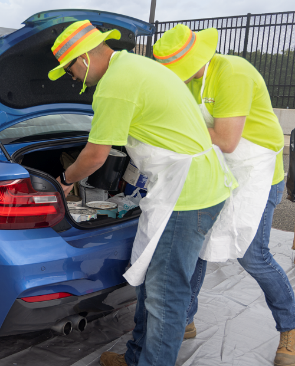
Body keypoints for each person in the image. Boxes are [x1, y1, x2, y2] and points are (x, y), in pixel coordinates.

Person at [47, 20, 234, 366]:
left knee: (165, 294)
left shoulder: (114, 85)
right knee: (151, 281)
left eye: (70, 68)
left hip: (188, 193)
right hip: (185, 185)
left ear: (84, 57)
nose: (72, 78)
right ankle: (136, 358)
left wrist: (65, 180)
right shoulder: (135, 64)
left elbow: (95, 156)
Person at [154, 24, 294, 365]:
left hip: (256, 173)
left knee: (253, 255)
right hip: (220, 171)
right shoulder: (190, 83)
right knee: (198, 246)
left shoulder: (232, 72)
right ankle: (184, 320)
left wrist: (175, 128)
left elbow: (228, 139)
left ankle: (289, 329)